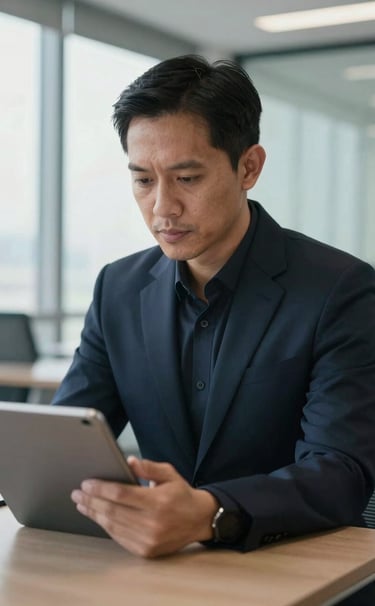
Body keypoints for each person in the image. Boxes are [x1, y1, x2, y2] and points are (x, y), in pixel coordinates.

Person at [53, 54, 375, 560]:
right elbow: (64, 442)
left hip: (295, 565)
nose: (162, 208)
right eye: (143, 180)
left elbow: (341, 473)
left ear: (249, 167)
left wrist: (211, 511)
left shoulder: (341, 289)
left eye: (187, 178)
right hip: (161, 568)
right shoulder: (117, 288)